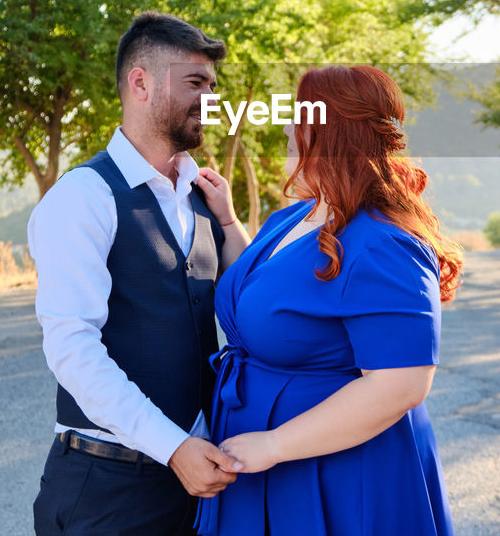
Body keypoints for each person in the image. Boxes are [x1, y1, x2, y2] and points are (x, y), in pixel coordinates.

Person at [190, 65, 463, 536]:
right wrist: (231, 224)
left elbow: (402, 385)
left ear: (332, 132)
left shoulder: (383, 242)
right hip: (262, 458)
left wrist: (274, 445)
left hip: (338, 470)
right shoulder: (294, 216)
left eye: (299, 115)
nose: (286, 128)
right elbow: (262, 291)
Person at [28, 12, 245, 535]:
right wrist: (173, 448)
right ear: (140, 82)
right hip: (108, 491)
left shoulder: (203, 198)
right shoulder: (83, 198)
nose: (209, 100)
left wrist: (231, 220)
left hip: (195, 489)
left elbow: (252, 300)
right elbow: (72, 349)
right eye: (195, 83)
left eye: (213, 87)